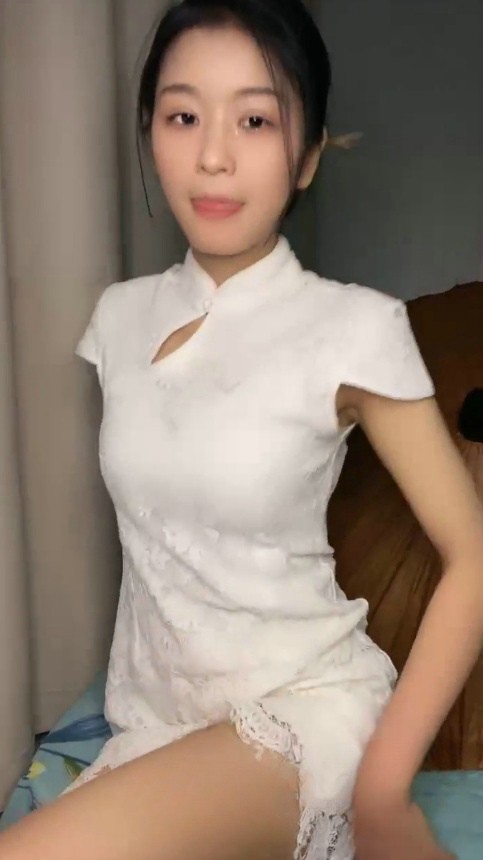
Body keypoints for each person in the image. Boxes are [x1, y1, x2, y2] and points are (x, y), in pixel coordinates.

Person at [1, 1, 482, 858]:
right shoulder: (118, 320)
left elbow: (471, 555)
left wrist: (382, 787)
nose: (213, 155)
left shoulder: (352, 328)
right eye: (183, 116)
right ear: (149, 132)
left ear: (307, 156)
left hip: (300, 711)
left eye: (254, 120)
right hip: (159, 726)